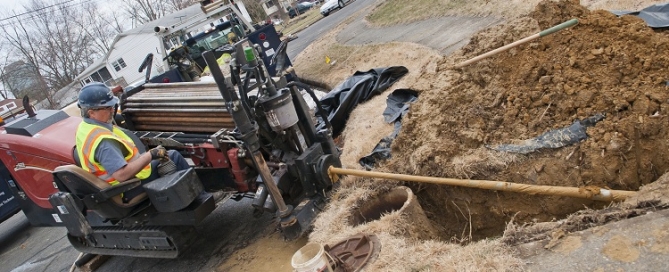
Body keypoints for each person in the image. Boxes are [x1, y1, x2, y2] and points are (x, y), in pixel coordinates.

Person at [75, 82, 190, 201]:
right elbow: (121, 175)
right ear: (91, 113)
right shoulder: (104, 141)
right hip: (126, 188)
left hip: (113, 188)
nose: (112, 110)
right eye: (107, 107)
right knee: (174, 156)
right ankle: (199, 200)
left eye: (112, 106)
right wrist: (151, 155)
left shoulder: (85, 127)